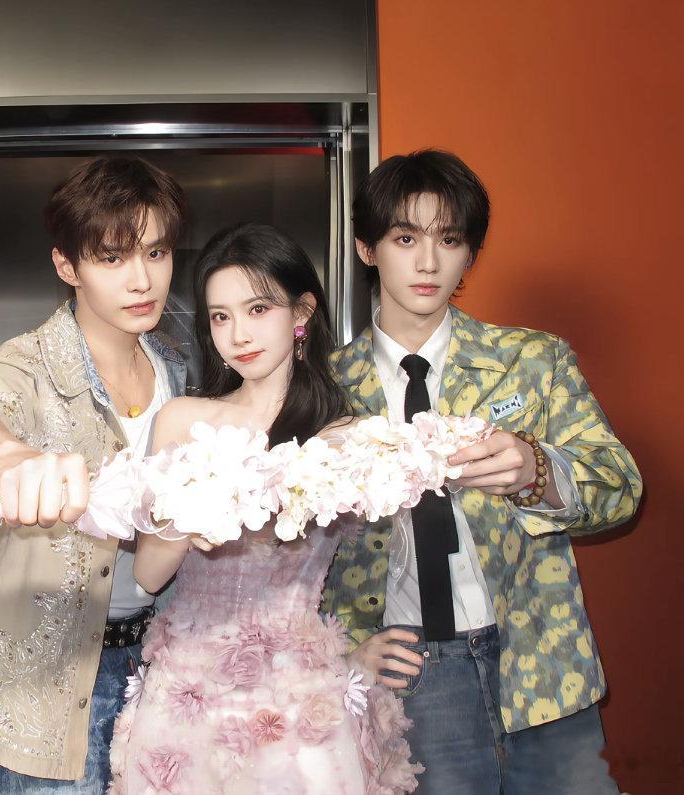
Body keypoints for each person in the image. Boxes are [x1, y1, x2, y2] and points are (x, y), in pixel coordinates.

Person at [323, 149, 643, 793]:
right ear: (366, 248)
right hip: (413, 671)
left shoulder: (532, 360)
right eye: (405, 238)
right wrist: (339, 654)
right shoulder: (326, 389)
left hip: (541, 661)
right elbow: (286, 554)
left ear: (469, 253)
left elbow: (621, 491)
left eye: (449, 240)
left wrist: (537, 471)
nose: (428, 262)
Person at [109, 223, 421, 794]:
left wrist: (361, 647)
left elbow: (386, 556)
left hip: (300, 697)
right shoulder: (184, 421)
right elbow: (148, 576)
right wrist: (186, 518)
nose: (238, 335)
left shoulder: (344, 438)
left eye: (257, 309)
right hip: (189, 694)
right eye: (220, 316)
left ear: (301, 312)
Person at [0, 155, 188, 792]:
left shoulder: (178, 370)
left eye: (156, 253)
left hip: (167, 676)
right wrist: (8, 455)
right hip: (50, 690)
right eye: (112, 258)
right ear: (66, 266)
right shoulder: (22, 366)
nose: (142, 279)